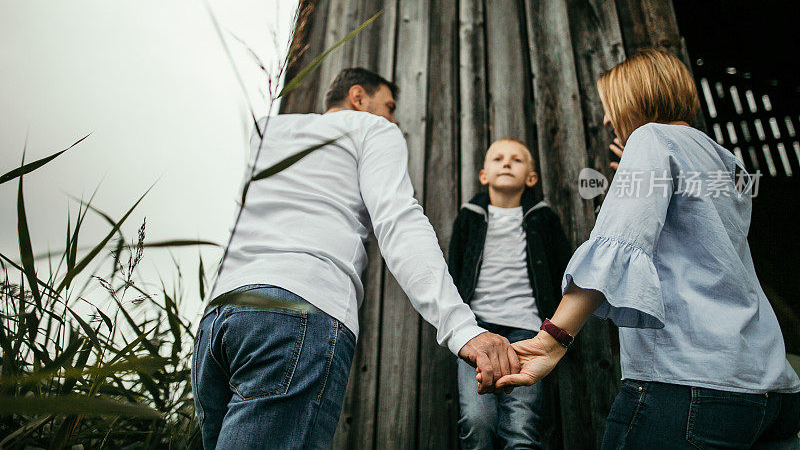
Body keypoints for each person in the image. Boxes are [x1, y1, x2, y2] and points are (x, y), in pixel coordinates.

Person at [191, 67, 519, 449]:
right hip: (298, 314)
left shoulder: (267, 131)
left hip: (218, 321)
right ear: (358, 97)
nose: (394, 118)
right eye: (389, 106)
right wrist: (462, 329)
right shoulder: (372, 129)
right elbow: (398, 221)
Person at [494, 49, 800, 448]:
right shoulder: (724, 161)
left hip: (691, 383)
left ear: (637, 98)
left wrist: (552, 339)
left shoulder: (651, 137)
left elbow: (621, 241)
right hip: (771, 389)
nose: (606, 119)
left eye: (610, 106)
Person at [448, 138, 571, 449]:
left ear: (531, 178)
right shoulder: (469, 216)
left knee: (521, 427)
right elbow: (453, 269)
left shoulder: (543, 218)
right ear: (483, 175)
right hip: (475, 332)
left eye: (516, 160)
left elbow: (564, 273)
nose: (506, 163)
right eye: (498, 158)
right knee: (476, 421)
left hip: (527, 333)